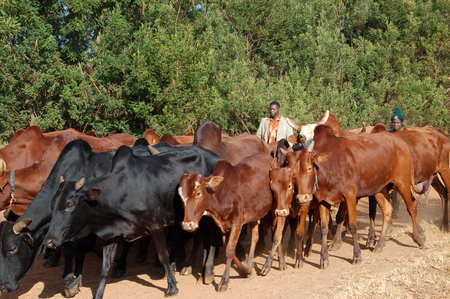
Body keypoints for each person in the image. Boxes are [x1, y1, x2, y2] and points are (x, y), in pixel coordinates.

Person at [389, 107, 405, 217]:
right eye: (394, 122)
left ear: (402, 122)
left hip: (403, 164)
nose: (395, 124)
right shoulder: (389, 134)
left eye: (397, 122)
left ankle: (397, 208)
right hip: (391, 164)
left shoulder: (406, 134)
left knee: (400, 189)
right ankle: (393, 207)